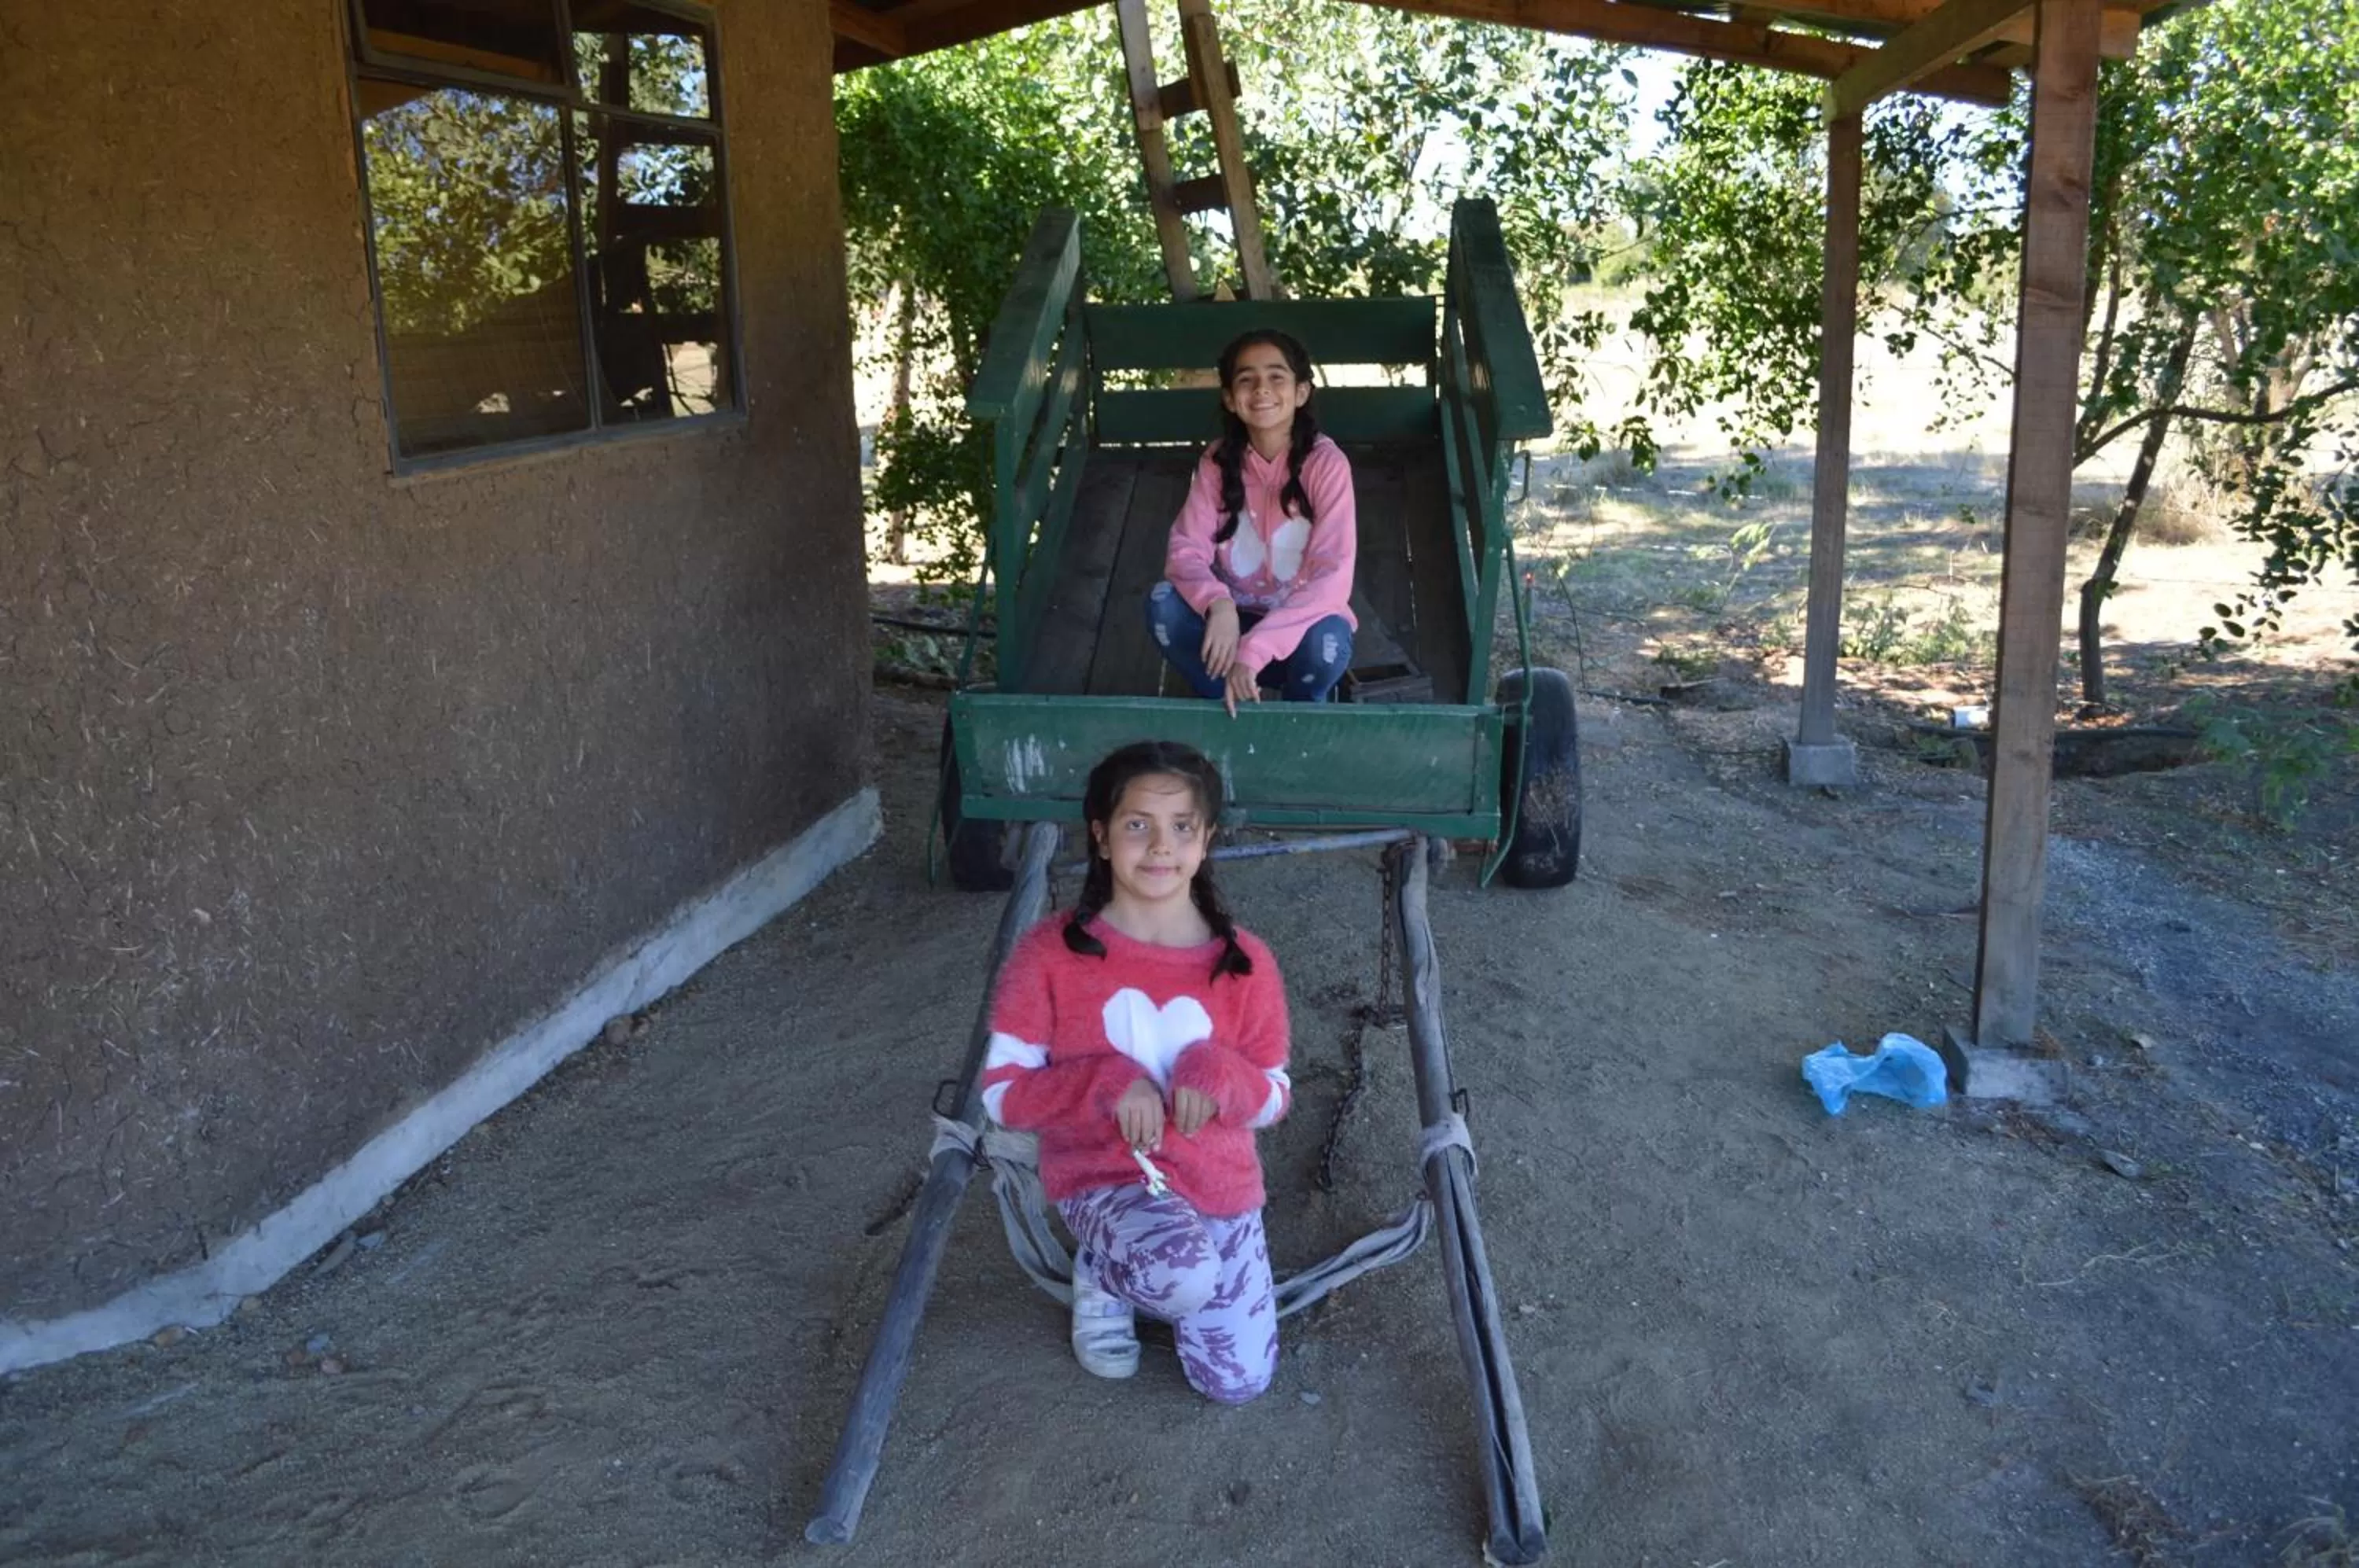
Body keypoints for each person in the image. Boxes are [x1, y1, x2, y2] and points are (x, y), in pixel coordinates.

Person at [980, 742, 1292, 1401]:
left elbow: (1273, 1097)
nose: (1160, 847)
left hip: (1217, 1181)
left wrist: (1221, 1075)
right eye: (1136, 825)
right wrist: (1106, 1084)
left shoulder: (1246, 964)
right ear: (1100, 836)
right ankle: (1107, 1271)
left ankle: (1157, 1272)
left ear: (1206, 840)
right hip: (1106, 1178)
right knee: (1181, 1277)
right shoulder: (1048, 956)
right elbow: (1003, 1097)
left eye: (1182, 827)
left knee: (1238, 1382)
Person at [1148, 329, 1357, 715]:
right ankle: (1223, 707)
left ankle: (1301, 718)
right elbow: (1184, 550)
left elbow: (1334, 577)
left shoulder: (1326, 464)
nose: (1262, 388)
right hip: (1230, 624)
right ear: (1230, 398)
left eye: (1277, 376)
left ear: (1301, 392)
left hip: (1299, 626)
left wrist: (1256, 648)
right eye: (1246, 379)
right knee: (1162, 605)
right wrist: (1219, 605)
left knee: (1327, 641)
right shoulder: (1217, 460)